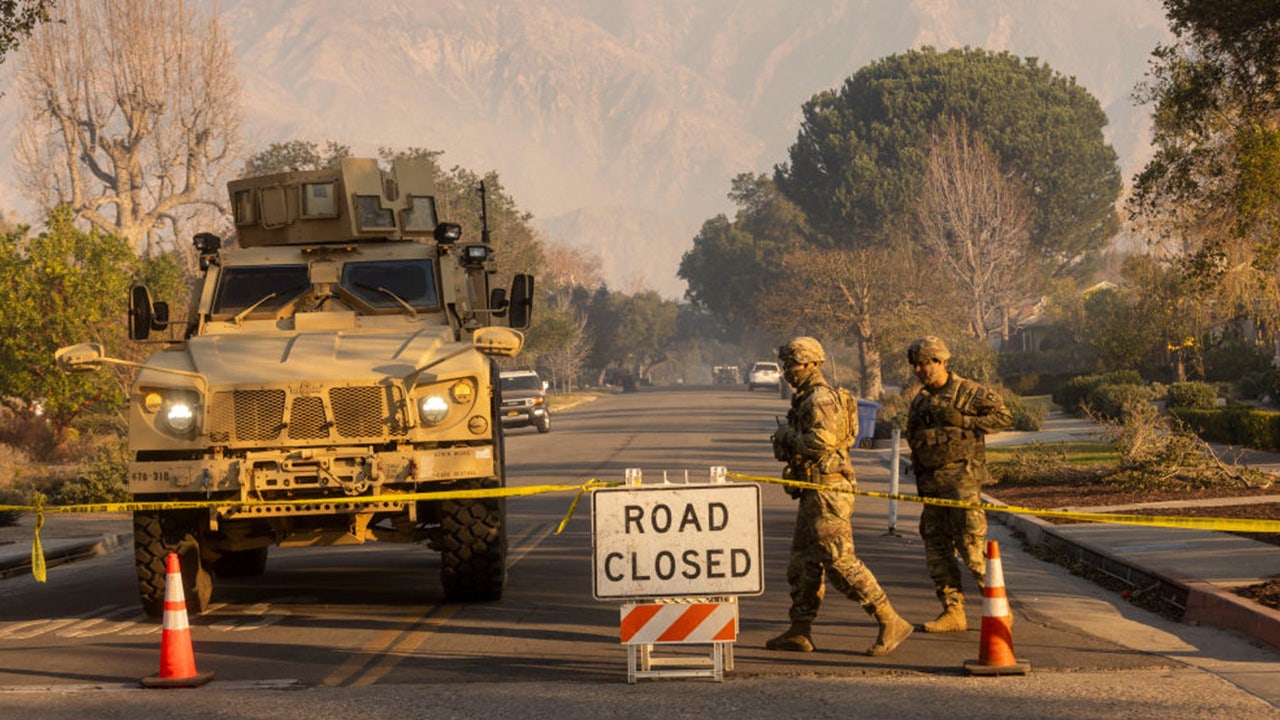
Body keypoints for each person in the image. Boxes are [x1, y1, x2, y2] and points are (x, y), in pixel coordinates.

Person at [766, 336, 913, 656]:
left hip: (828, 491)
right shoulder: (806, 397)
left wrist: (786, 436)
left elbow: (821, 441)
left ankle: (889, 619)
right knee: (803, 563)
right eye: (786, 364)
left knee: (839, 560)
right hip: (813, 489)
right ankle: (800, 629)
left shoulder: (820, 398)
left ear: (812, 364)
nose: (788, 371)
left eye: (793, 364)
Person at [905, 336, 1012, 632]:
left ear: (941, 361)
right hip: (932, 485)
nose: (919, 370)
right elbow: (914, 435)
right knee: (937, 551)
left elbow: (1004, 417)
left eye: (924, 364)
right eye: (916, 365)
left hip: (962, 483)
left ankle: (1000, 610)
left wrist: (964, 421)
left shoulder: (969, 392)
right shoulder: (921, 400)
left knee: (972, 549)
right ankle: (953, 611)